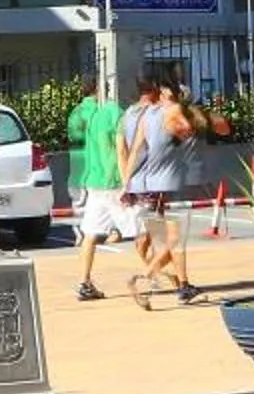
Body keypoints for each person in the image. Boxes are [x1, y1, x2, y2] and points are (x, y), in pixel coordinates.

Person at [129, 80, 202, 309]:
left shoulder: (147, 117)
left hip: (153, 186)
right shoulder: (174, 114)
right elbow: (190, 132)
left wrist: (128, 183)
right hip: (172, 184)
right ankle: (145, 278)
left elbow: (137, 150)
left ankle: (184, 285)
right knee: (173, 241)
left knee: (171, 241)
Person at [63, 78, 132, 302]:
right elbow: (120, 150)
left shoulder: (77, 114)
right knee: (141, 230)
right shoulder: (111, 113)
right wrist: (127, 182)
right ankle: (165, 277)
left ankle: (84, 281)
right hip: (112, 179)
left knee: (89, 233)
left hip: (87, 175)